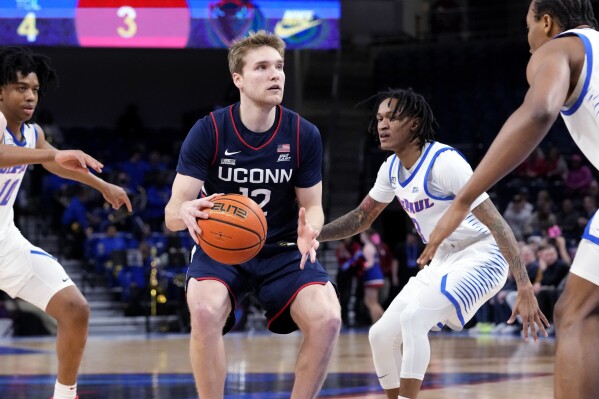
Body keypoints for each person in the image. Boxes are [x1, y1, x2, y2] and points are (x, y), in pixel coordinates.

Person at [314, 88, 547, 399]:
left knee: (414, 319)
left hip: (483, 254)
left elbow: (498, 224)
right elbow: (361, 218)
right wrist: (313, 234)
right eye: (379, 118)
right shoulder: (391, 169)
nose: (382, 125)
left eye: (391, 118)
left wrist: (524, 285)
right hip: (442, 260)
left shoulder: (445, 162)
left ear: (413, 123)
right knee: (380, 334)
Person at [418, 1, 599, 397]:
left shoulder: (557, 49)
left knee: (578, 315)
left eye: (528, 26)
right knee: (577, 311)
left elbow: (539, 112)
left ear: (547, 23)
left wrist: (464, 199)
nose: (528, 39)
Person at [164, 30, 340, 399]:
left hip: (282, 249)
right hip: (221, 247)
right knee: (206, 310)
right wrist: (185, 210)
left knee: (328, 318)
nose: (275, 74)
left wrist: (313, 230)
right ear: (238, 79)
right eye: (262, 67)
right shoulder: (209, 130)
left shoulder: (303, 134)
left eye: (279, 66)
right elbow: (172, 214)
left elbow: (313, 207)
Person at [0, 47, 132, 399]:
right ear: (0, 90)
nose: (29, 96)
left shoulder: (31, 135)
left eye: (35, 89)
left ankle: (64, 394)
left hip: (5, 243)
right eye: (19, 87)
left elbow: (56, 165)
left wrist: (103, 185)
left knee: (75, 309)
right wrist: (52, 153)